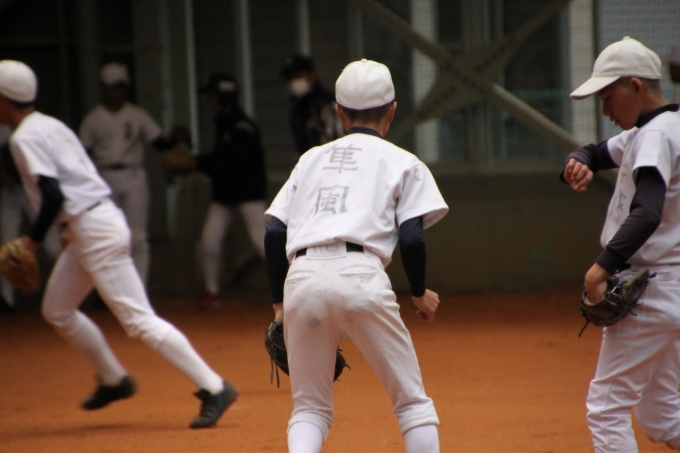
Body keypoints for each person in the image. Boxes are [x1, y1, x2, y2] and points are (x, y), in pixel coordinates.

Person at [0, 59, 237, 428]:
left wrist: (32, 240)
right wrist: (67, 226)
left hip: (93, 228)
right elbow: (76, 180)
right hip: (89, 222)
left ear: (5, 98)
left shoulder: (23, 137)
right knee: (58, 310)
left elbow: (52, 192)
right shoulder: (50, 124)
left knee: (139, 321)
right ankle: (113, 379)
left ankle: (214, 386)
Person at [264, 59, 449, 453]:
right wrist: (418, 293)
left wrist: (280, 305)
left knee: (310, 409)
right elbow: (411, 238)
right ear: (393, 110)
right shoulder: (404, 161)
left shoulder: (310, 159)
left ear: (339, 112)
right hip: (361, 275)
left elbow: (275, 230)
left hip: (302, 276)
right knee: (413, 405)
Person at [563, 37, 680, 451]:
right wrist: (578, 162)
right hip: (670, 287)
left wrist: (601, 268)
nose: (605, 110)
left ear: (635, 86)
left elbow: (646, 212)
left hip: (653, 290)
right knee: (662, 415)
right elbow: (595, 152)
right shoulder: (659, 128)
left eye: (608, 97)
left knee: (606, 409)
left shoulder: (654, 136)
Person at [79, 62, 174, 286]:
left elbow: (160, 143)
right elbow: (82, 155)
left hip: (133, 175)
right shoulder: (93, 119)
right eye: (112, 87)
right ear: (103, 88)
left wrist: (175, 143)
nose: (116, 92)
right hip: (104, 176)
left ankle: (138, 290)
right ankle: (110, 289)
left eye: (120, 86)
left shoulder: (137, 114)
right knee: (109, 235)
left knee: (137, 235)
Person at [194, 72, 268, 309]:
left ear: (223, 97)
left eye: (213, 96)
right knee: (209, 241)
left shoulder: (242, 126)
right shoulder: (223, 121)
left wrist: (195, 163)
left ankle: (293, 290)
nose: (210, 101)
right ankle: (212, 292)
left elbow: (230, 162)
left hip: (248, 193)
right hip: (225, 194)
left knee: (263, 243)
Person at [0, 124, 60, 313]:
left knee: (53, 245)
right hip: (9, 191)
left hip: (32, 190)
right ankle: (6, 300)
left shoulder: (30, 129)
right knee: (7, 247)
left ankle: (65, 294)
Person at [280, 54, 344, 155]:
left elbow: (337, 140)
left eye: (298, 76)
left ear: (312, 75)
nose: (294, 81)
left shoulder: (327, 104)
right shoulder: (298, 108)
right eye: (290, 78)